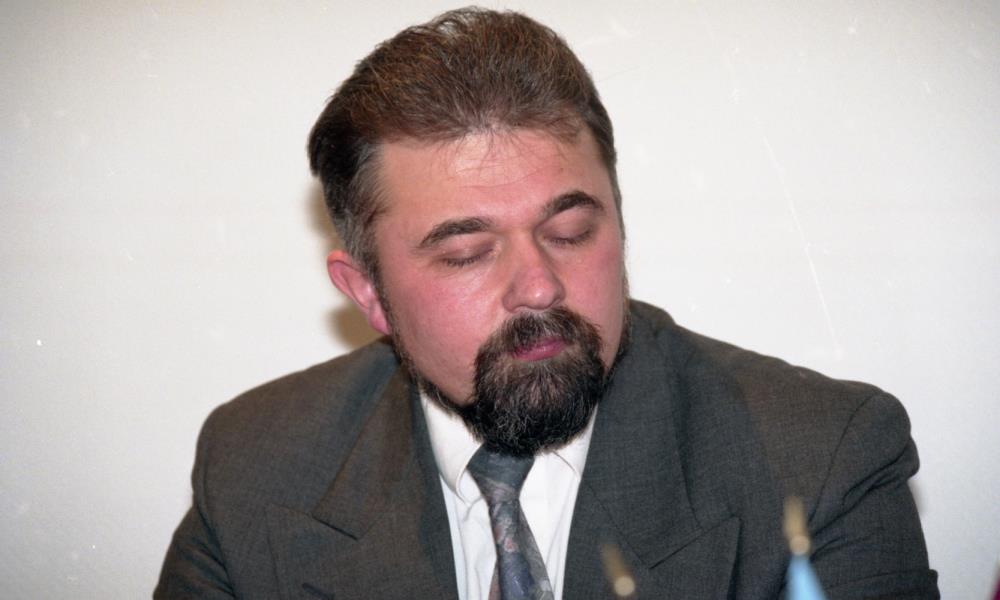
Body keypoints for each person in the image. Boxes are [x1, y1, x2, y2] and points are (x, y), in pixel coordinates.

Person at [155, 8, 938, 599]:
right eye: (466, 253)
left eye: (569, 232)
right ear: (370, 295)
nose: (538, 286)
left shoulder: (821, 461)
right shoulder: (255, 464)